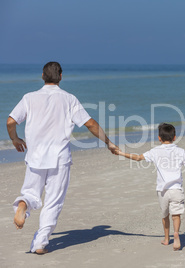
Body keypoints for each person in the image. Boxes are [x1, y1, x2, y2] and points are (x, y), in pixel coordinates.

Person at [7, 62, 118, 254]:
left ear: (42, 76)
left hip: (35, 157)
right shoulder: (69, 99)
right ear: (61, 77)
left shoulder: (29, 98)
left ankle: (24, 203)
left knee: (31, 192)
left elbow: (10, 121)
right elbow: (90, 124)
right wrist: (108, 142)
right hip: (59, 159)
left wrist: (15, 139)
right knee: (53, 201)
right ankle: (40, 243)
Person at [116, 123, 185, 251]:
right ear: (174, 137)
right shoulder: (180, 151)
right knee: (176, 215)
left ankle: (166, 238)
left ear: (159, 138)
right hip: (176, 189)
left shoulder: (155, 151)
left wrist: (120, 153)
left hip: (162, 191)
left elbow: (138, 158)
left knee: (165, 215)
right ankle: (176, 233)